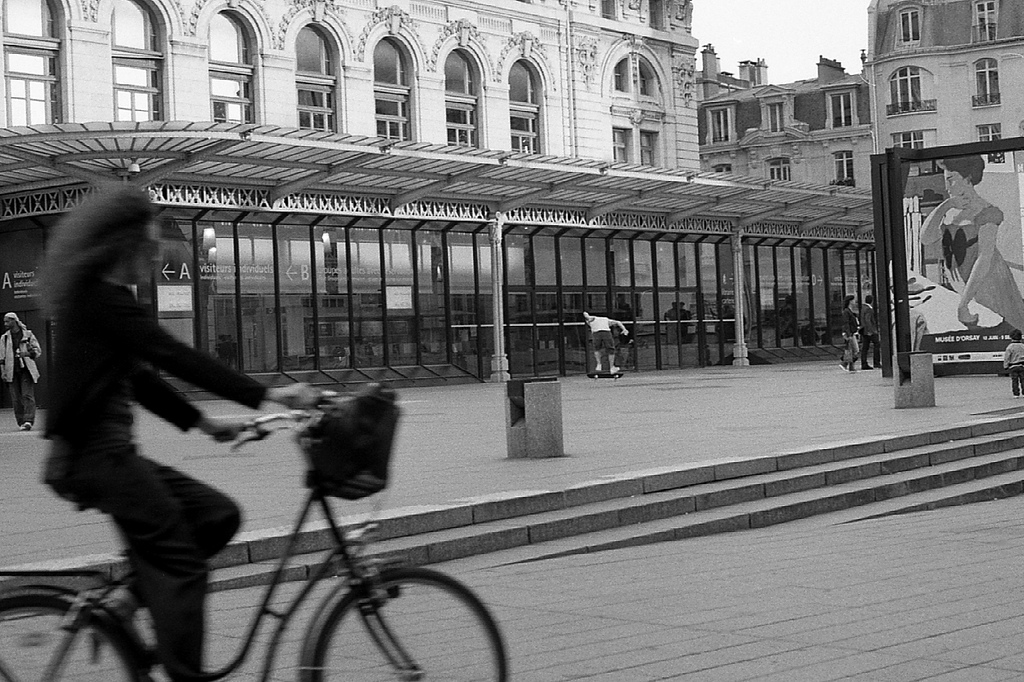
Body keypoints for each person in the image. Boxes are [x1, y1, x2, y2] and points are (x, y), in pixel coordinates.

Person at [38, 185, 320, 681]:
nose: (153, 258)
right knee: (184, 567)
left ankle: (130, 598)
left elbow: (140, 378)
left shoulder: (102, 300)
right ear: (121, 246)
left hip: (108, 457)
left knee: (216, 515)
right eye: (149, 248)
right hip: (95, 460)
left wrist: (205, 423)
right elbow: (174, 355)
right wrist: (268, 394)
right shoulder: (100, 299)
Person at [920, 155, 1024, 331]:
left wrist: (964, 303)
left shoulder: (987, 212)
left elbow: (984, 258)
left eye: (951, 180)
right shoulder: (951, 211)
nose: (947, 186)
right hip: (964, 288)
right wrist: (945, 206)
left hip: (989, 286)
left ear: (968, 179)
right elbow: (926, 238)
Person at [0, 312, 42, 430]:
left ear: (14, 321)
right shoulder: (5, 338)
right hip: (11, 370)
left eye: (7, 321)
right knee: (16, 398)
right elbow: (1, 357)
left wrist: (27, 353)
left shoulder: (27, 334)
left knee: (27, 395)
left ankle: (28, 421)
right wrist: (3, 371)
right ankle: (21, 421)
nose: (5, 323)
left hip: (26, 369)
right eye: (4, 321)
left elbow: (37, 350)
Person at [859, 295, 880, 370]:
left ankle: (864, 363)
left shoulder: (863, 308)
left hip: (864, 330)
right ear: (872, 301)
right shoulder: (869, 309)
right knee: (877, 344)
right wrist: (871, 331)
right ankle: (876, 362)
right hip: (869, 331)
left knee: (865, 347)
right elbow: (868, 320)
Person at [840, 295, 860, 372]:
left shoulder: (849, 310)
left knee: (851, 349)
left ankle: (851, 367)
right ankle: (844, 363)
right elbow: (846, 323)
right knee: (855, 350)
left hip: (852, 332)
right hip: (850, 333)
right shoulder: (846, 311)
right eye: (853, 300)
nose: (854, 302)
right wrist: (848, 333)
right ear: (850, 301)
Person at [1004, 330, 1024, 398]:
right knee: (1023, 380)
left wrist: (1005, 366)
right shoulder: (1023, 346)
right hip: (1022, 365)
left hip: (1013, 366)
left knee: (1014, 380)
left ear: (1011, 337)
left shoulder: (1010, 347)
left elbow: (1007, 357)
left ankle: (1016, 394)